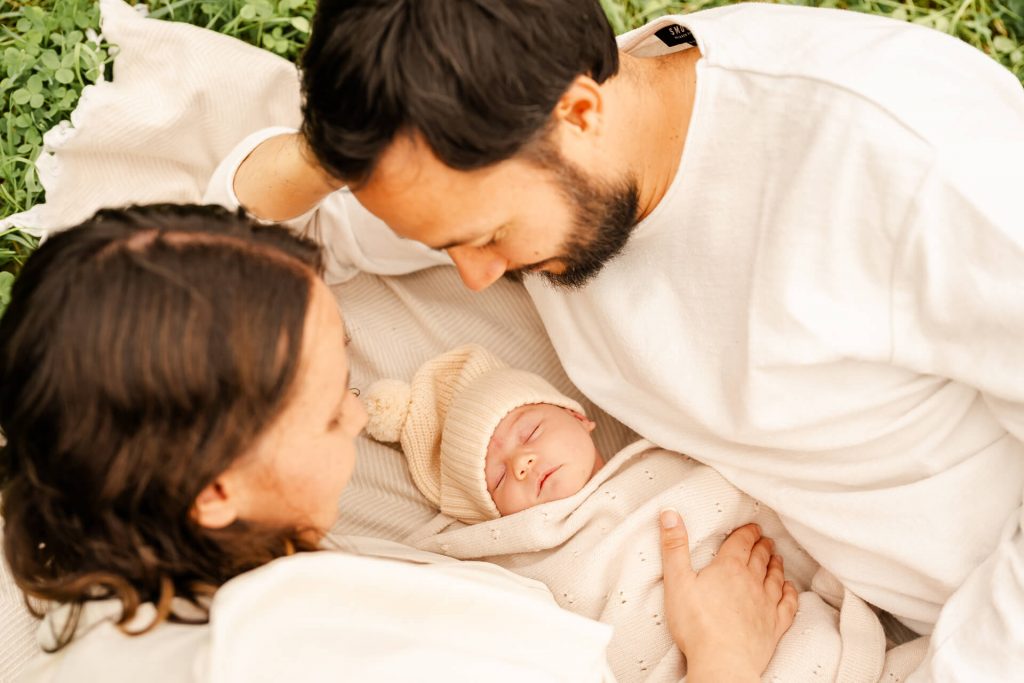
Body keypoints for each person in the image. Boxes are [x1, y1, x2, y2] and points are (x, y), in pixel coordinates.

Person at [206, 1, 1024, 677]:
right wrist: (337, 143)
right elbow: (236, 231)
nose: (473, 275)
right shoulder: (509, 151)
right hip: (834, 614)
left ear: (580, 112)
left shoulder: (916, 168)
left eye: (487, 235)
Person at [0, 203, 796, 682]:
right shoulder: (303, 648)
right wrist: (724, 656)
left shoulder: (114, 558)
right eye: (326, 408)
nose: (354, 411)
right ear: (214, 490)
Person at [360, 343, 925, 680]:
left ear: (579, 417)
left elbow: (770, 513)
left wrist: (828, 579)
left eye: (528, 431)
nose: (524, 462)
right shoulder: (517, 559)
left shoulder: (670, 455)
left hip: (794, 632)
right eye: (500, 476)